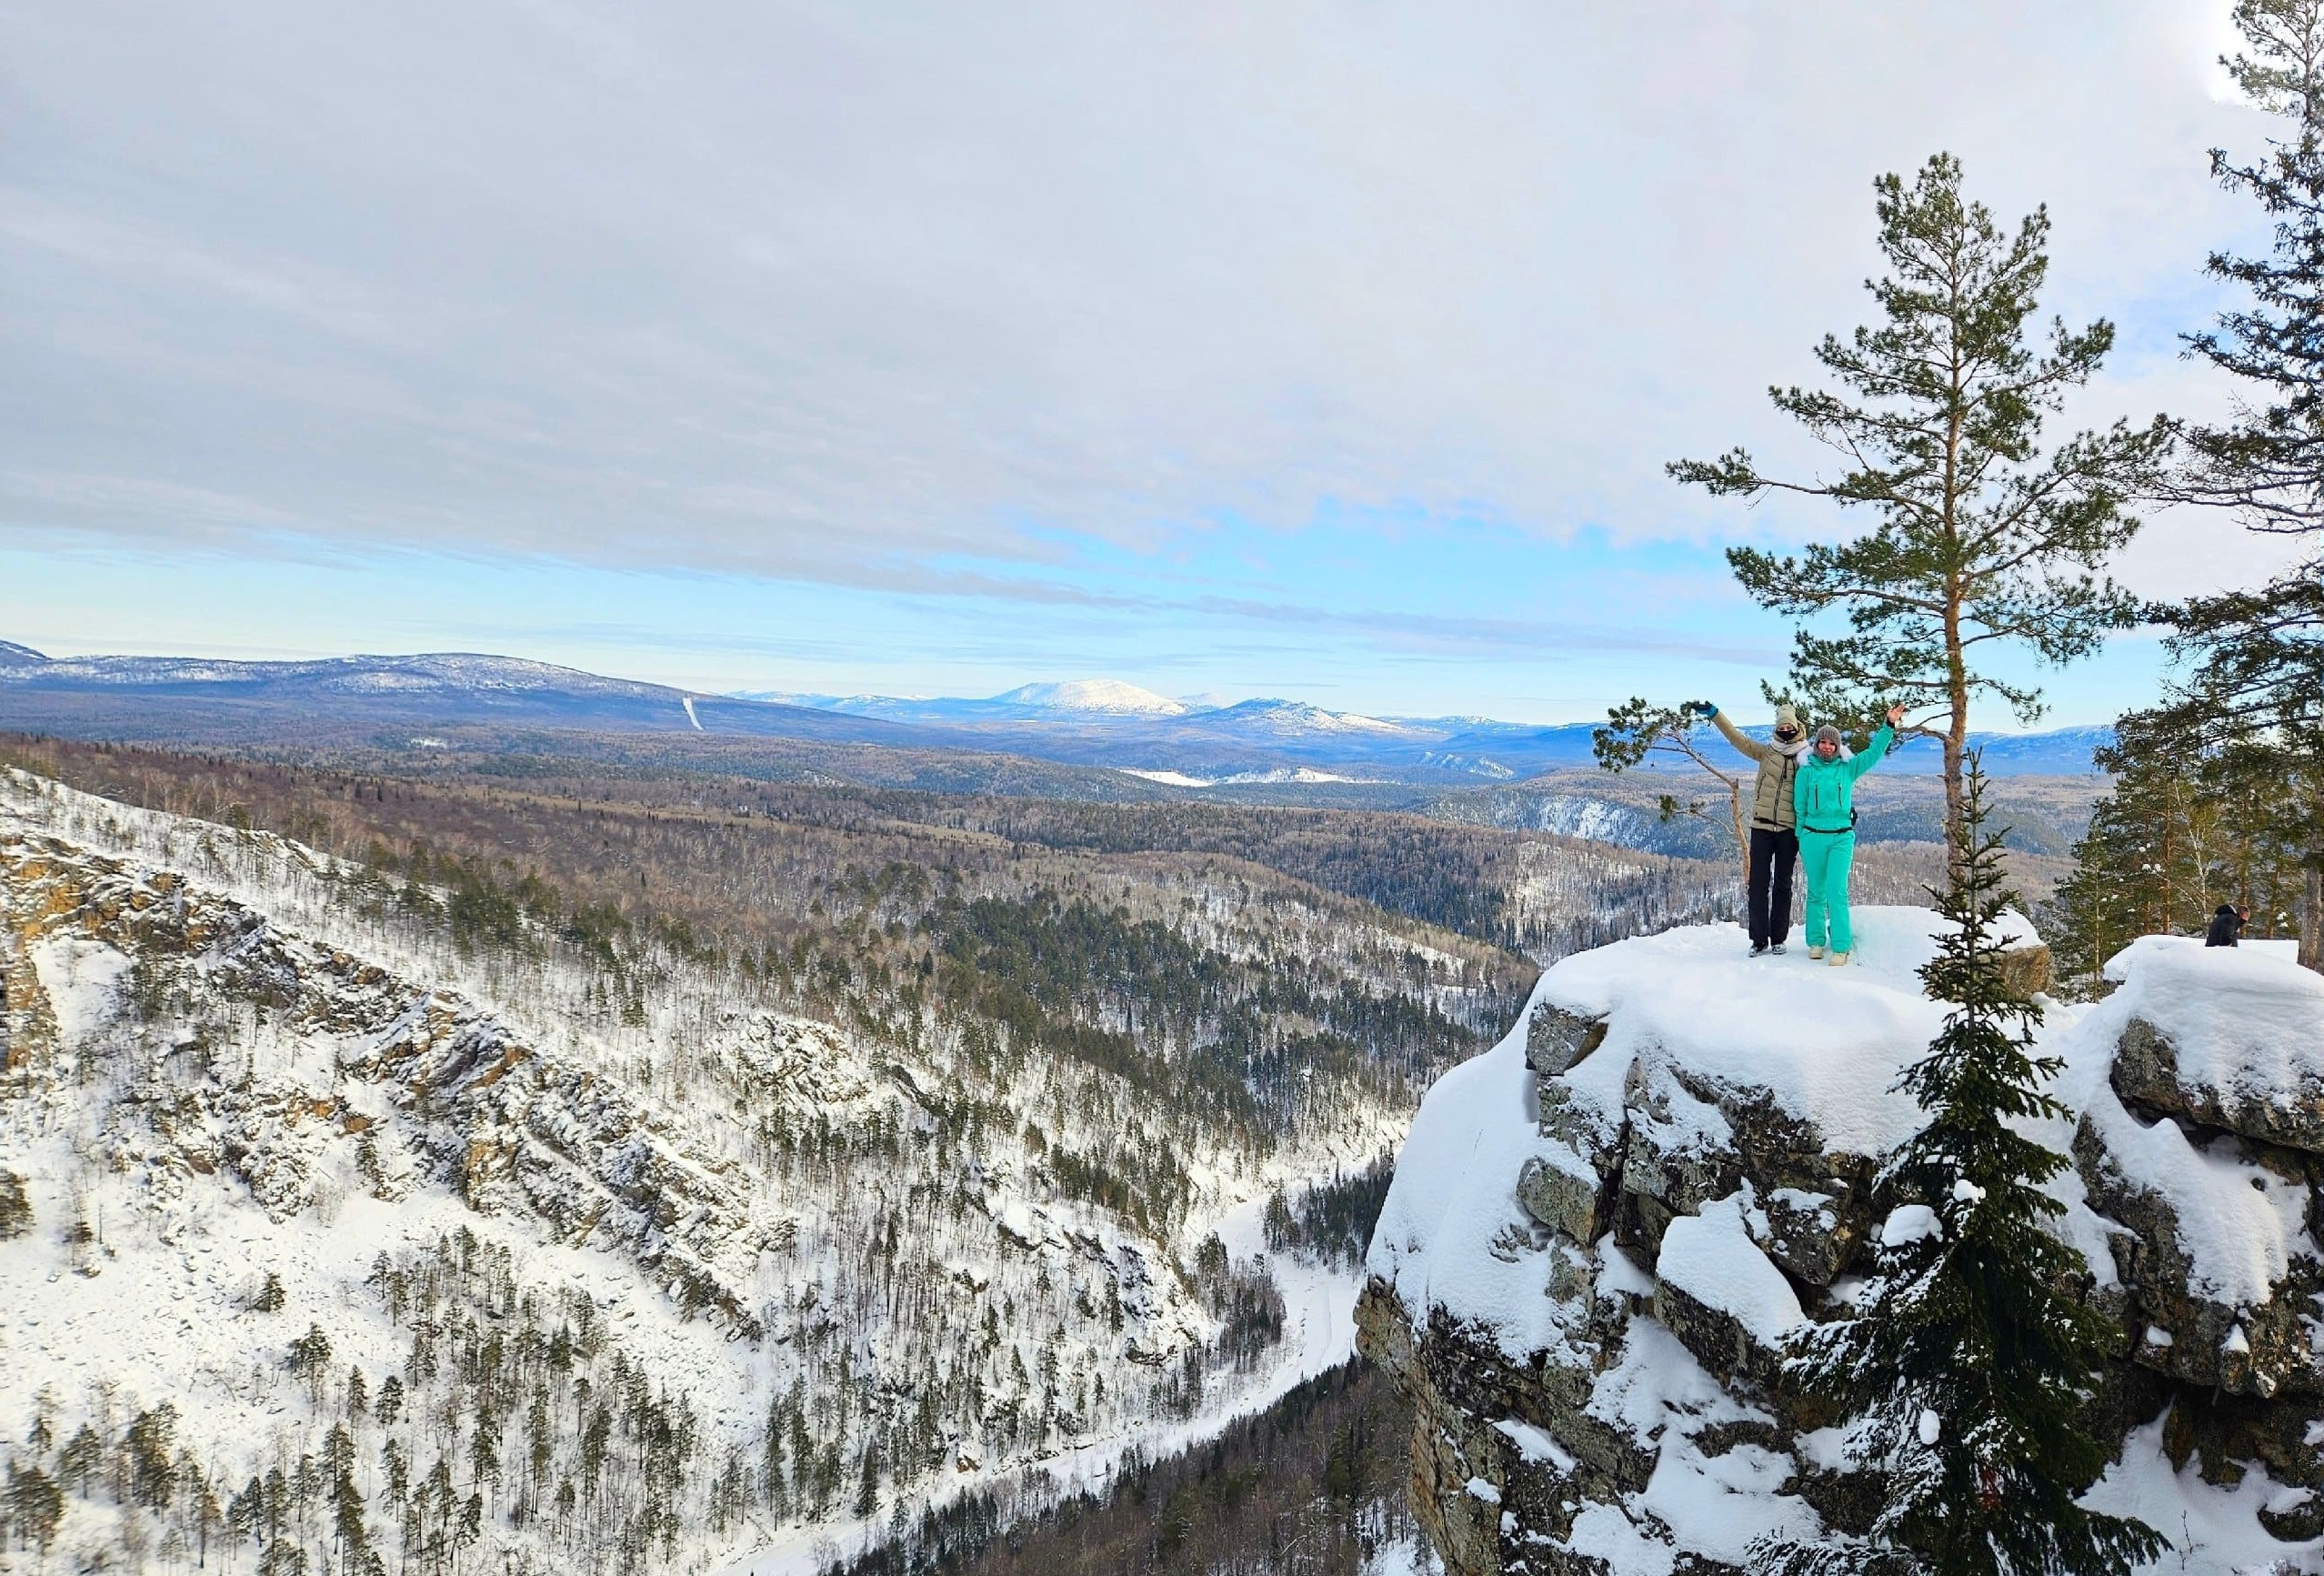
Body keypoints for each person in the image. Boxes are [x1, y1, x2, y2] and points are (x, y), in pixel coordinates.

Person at [1688, 700, 1810, 957]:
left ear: (1797, 726)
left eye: (1789, 725)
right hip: (1762, 827)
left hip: (1789, 830)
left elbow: (1829, 777)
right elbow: (1738, 740)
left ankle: (1778, 938)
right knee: (1757, 884)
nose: (1785, 729)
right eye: (1781, 725)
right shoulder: (1767, 752)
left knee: (1783, 885)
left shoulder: (1806, 757)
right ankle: (1758, 939)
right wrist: (1716, 715)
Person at [1793, 704, 1907, 967]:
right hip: (1812, 837)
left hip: (1842, 837)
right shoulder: (1806, 772)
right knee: (1816, 891)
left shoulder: (1848, 768)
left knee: (1837, 890)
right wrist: (1801, 836)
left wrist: (1888, 725)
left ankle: (1841, 945)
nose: (1826, 747)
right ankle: (1816, 942)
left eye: (1831, 744)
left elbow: (1874, 752)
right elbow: (1799, 806)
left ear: (1837, 746)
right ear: (1815, 745)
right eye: (1822, 742)